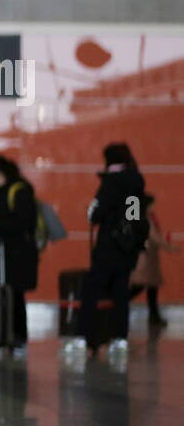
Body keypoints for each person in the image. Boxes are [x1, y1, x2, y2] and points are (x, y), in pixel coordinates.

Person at [77, 143, 147, 357]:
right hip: (127, 248)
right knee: (120, 293)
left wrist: (98, 209)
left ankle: (87, 339)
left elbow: (94, 214)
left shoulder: (111, 182)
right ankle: (119, 339)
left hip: (108, 247)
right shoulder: (137, 181)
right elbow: (135, 214)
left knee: (91, 290)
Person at [0, 155, 39, 356]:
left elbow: (23, 222)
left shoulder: (20, 190)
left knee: (15, 294)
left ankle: (18, 338)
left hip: (17, 253)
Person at [129, 194, 175, 329]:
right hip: (146, 259)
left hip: (148, 257)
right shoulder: (146, 218)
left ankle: (154, 316)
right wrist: (169, 247)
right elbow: (153, 236)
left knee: (151, 287)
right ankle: (116, 306)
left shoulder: (144, 217)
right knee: (141, 286)